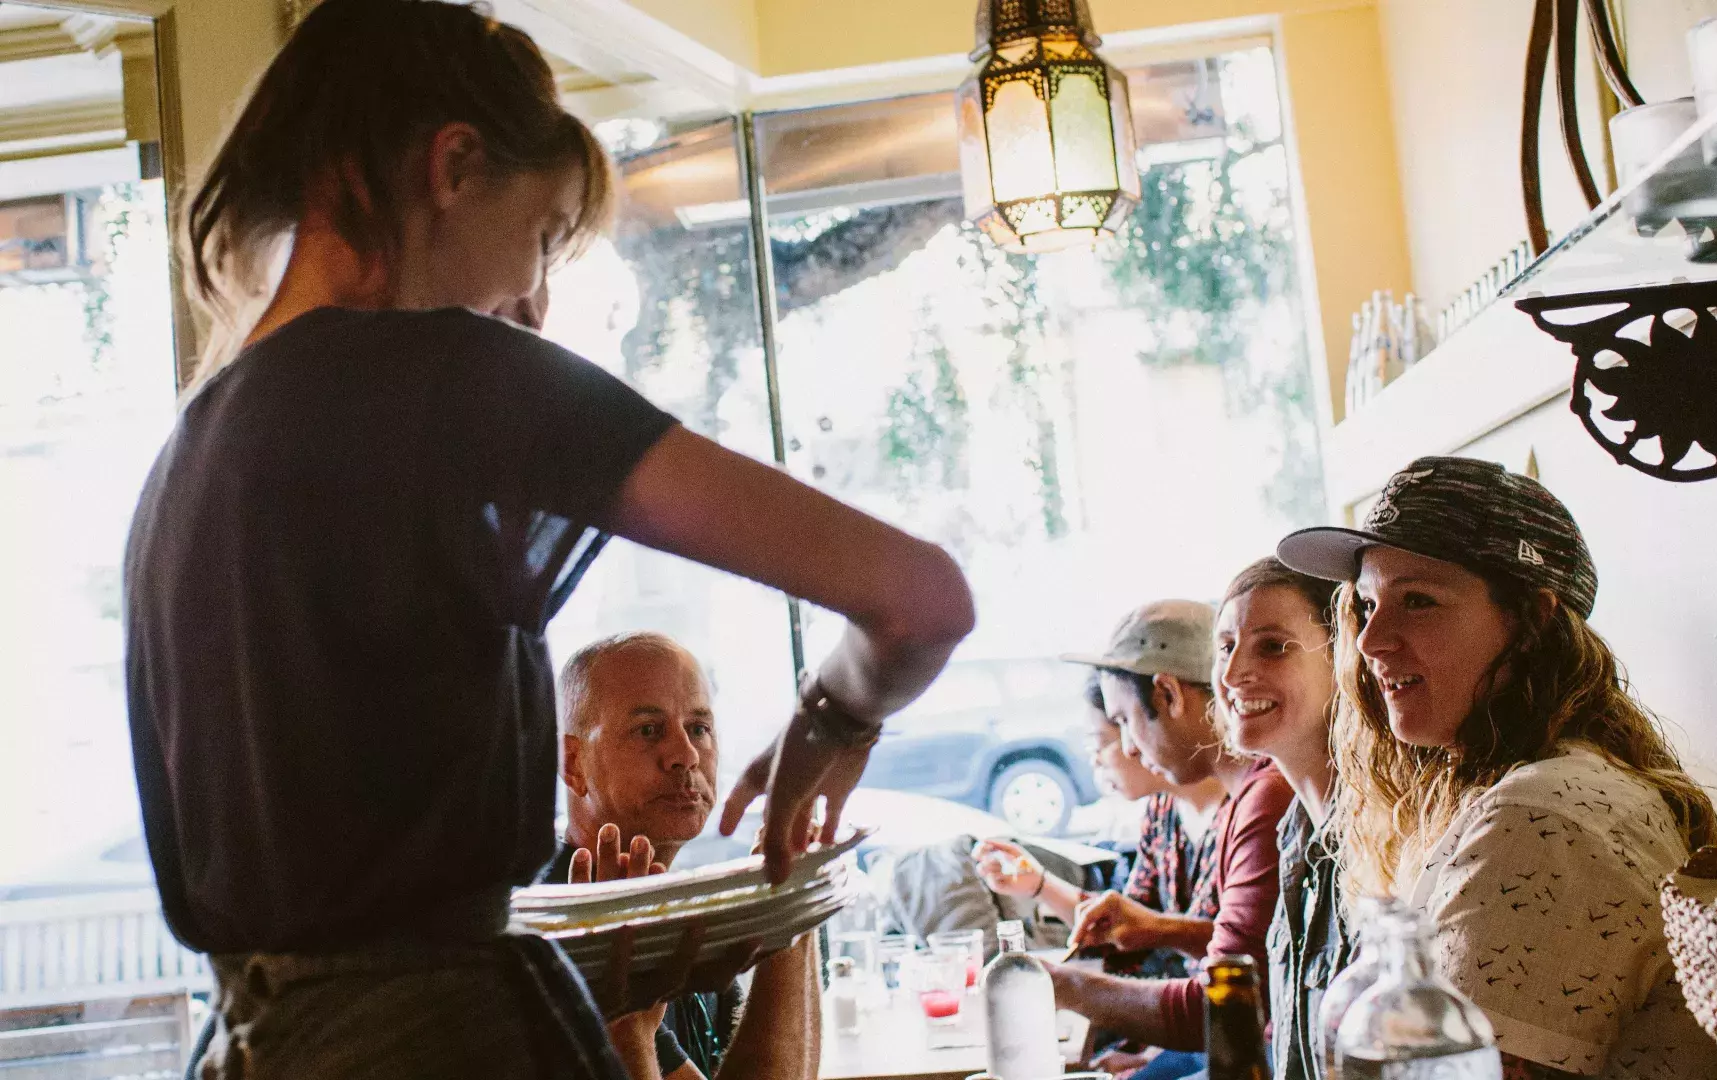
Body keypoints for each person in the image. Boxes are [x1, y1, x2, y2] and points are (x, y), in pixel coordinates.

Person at [124, 3, 972, 1077]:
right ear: (454, 166)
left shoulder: (195, 445)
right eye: (541, 236)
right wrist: (831, 721)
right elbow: (919, 598)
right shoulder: (448, 378)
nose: (531, 301)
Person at [1276, 456, 1717, 1080]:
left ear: (1531, 622)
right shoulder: (1526, 785)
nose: (1370, 640)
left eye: (1418, 600)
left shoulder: (1540, 817)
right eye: (1367, 604)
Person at [549, 632, 819, 1080]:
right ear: (573, 764)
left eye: (698, 728)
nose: (686, 754)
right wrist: (790, 905)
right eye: (648, 730)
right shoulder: (558, 933)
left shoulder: (673, 911)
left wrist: (793, 900)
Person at [1042, 601, 1293, 1077]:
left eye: (1122, 721)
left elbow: (1222, 1007)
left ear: (1168, 694)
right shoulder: (1251, 794)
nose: (1130, 747)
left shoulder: (1267, 799)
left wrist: (1058, 986)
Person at [1208, 557, 1344, 1080]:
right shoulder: (1295, 831)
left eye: (1273, 646)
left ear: (1344, 656)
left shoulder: (1388, 838)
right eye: (1225, 647)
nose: (1233, 673)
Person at [974, 674, 1227, 950]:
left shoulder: (1242, 811)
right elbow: (1128, 927)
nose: (1095, 759)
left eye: (1102, 742)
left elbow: (1239, 946)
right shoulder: (1163, 811)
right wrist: (1039, 883)